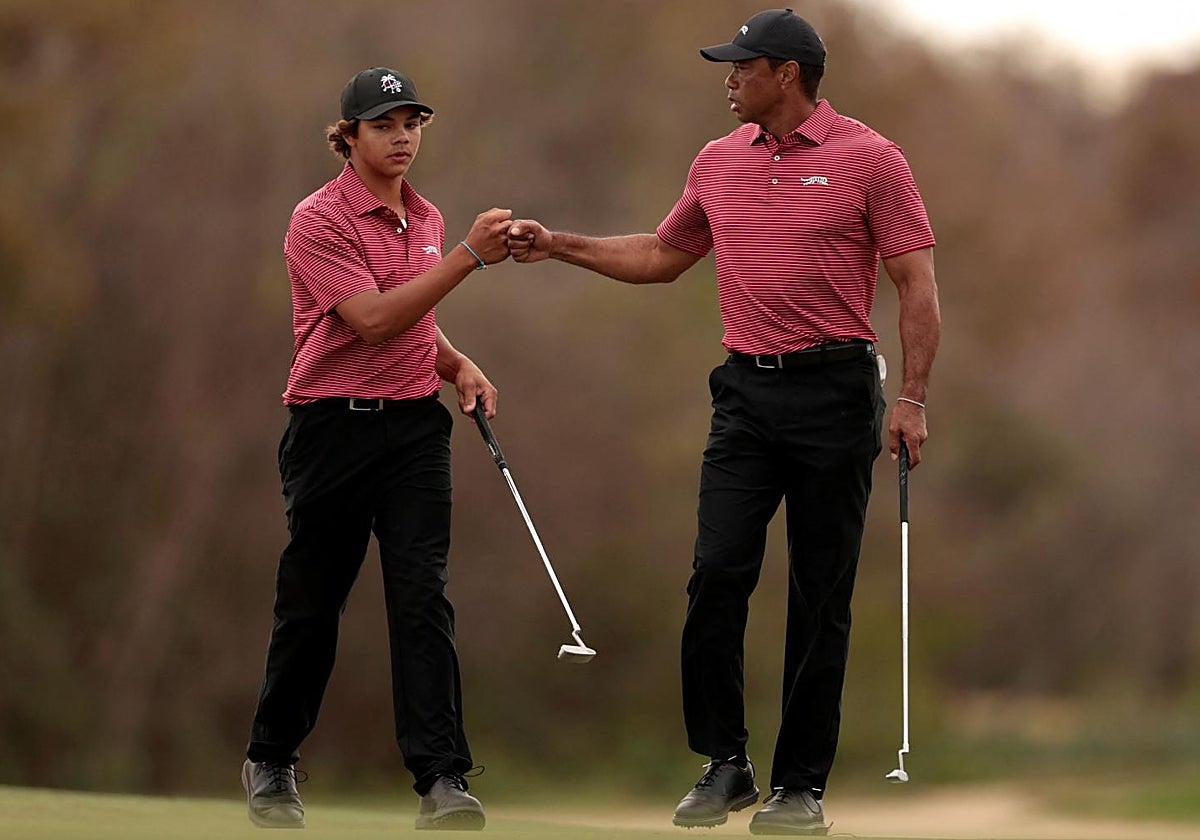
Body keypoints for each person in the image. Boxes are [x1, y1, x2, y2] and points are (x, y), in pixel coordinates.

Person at [507, 9, 940, 835]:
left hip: (836, 394)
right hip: (745, 394)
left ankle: (799, 787)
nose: (728, 79)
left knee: (821, 595)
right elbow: (665, 257)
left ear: (786, 73)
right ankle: (725, 762)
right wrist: (557, 243)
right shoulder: (717, 162)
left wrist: (913, 399)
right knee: (716, 574)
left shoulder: (871, 159)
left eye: (741, 67)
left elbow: (916, 285)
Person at [241, 66, 511, 831]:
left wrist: (457, 364)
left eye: (413, 123)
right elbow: (373, 320)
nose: (403, 137)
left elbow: (415, 324)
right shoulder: (316, 219)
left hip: (412, 432)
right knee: (313, 604)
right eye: (386, 124)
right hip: (331, 427)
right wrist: (469, 256)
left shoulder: (424, 218)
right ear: (348, 135)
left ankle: (442, 779)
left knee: (422, 598)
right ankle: (272, 759)